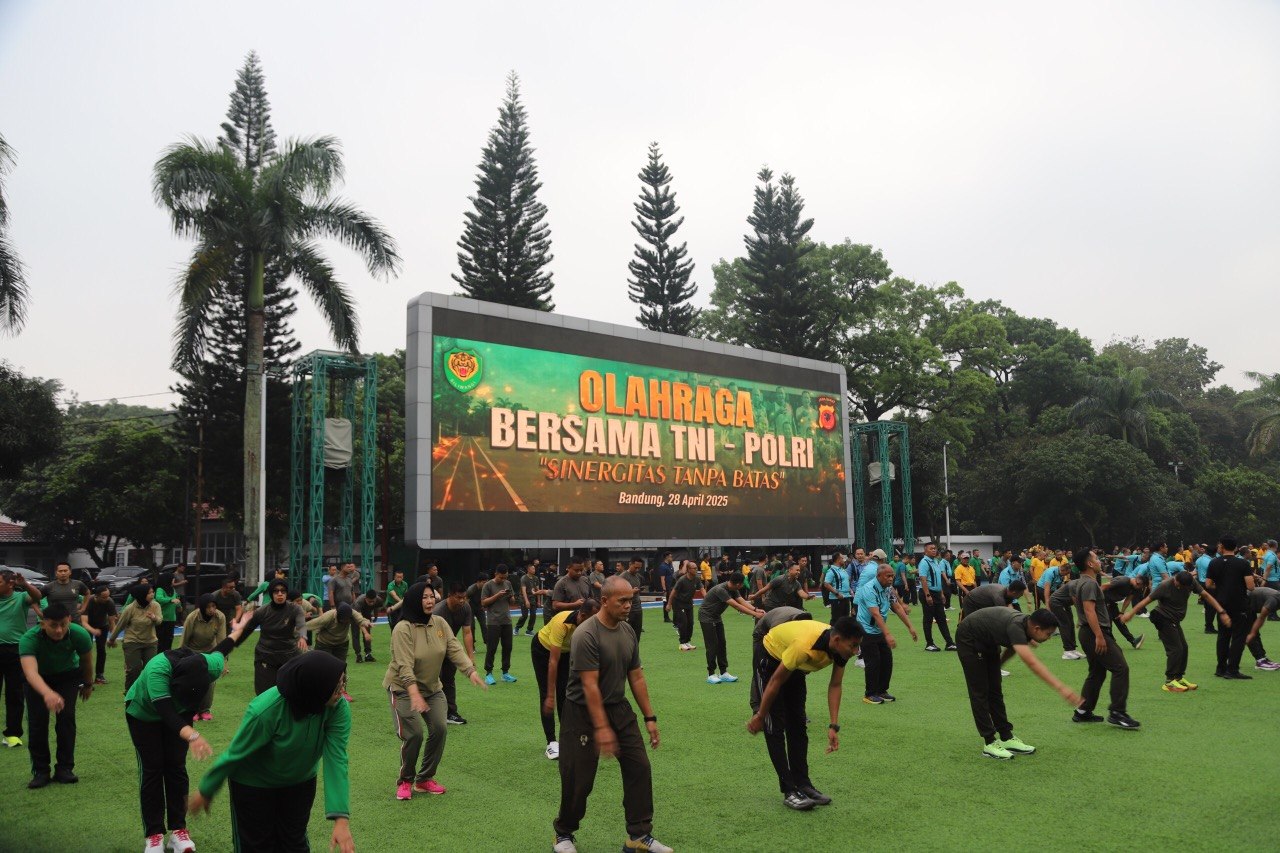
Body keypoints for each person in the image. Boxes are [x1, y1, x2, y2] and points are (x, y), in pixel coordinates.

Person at [188, 652, 355, 853]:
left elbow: (336, 758)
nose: (342, 691)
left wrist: (341, 819)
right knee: (257, 847)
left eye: (343, 682)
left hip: (299, 783)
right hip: (253, 785)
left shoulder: (338, 708)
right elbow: (236, 753)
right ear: (315, 687)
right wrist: (207, 789)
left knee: (295, 844)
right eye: (336, 687)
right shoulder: (265, 710)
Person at [552, 577, 669, 853]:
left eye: (631, 600)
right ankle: (564, 833)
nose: (629, 606)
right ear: (604, 601)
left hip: (618, 707)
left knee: (639, 766)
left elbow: (636, 677)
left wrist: (650, 718)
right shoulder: (586, 634)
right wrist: (602, 727)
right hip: (581, 712)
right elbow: (590, 686)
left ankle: (638, 835)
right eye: (623, 601)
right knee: (578, 778)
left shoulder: (627, 631)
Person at [125, 620, 246, 853]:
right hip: (143, 713)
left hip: (181, 713)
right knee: (153, 770)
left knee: (176, 768)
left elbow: (225, 646)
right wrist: (192, 735)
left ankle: (178, 831)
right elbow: (166, 712)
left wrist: (242, 627)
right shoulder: (158, 670)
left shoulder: (211, 665)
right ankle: (154, 835)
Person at [746, 609, 863, 811]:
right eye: (853, 645)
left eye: (857, 646)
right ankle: (789, 790)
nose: (855, 651)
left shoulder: (840, 651)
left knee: (798, 725)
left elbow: (835, 685)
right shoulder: (804, 646)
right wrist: (760, 715)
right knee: (775, 727)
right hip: (772, 658)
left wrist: (833, 725)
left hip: (797, 667)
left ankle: (803, 784)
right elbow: (775, 681)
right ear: (836, 640)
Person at [384, 582, 485, 801]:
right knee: (414, 735)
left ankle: (424, 779)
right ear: (413, 601)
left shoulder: (439, 623)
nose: (430, 601)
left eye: (432, 597)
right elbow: (404, 666)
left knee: (439, 729)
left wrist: (470, 670)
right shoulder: (403, 629)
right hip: (403, 689)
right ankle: (406, 780)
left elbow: (453, 647)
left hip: (432, 689)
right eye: (424, 597)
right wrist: (413, 693)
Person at [955, 607, 1083, 760]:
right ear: (1036, 628)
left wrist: (996, 668)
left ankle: (1006, 737)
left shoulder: (1025, 626)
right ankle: (989, 742)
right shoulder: (1016, 627)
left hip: (988, 640)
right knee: (980, 692)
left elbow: (1012, 647)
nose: (1049, 638)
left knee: (995, 690)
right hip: (969, 639)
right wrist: (1061, 688)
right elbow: (1032, 663)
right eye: (1048, 634)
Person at [19, 602, 93, 788]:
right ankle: (41, 771)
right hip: (39, 679)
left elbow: (86, 660)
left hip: (67, 676)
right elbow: (30, 673)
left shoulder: (79, 633)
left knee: (66, 719)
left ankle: (65, 769)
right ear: (43, 623)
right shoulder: (29, 638)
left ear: (69, 620)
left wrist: (88, 683)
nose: (59, 630)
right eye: (53, 625)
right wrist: (47, 693)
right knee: (37, 723)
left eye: (63, 624)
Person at [1121, 570, 1227, 692]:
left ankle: (1178, 678)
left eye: (1183, 587)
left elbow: (1206, 595)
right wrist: (1131, 613)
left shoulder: (1191, 582)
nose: (1179, 587)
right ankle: (1169, 681)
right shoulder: (1165, 585)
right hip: (1162, 618)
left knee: (1184, 648)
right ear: (1175, 579)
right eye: (1178, 584)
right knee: (1176, 649)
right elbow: (1146, 601)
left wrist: (1221, 611)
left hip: (1174, 620)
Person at [1070, 549, 1139, 729]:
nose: (1099, 560)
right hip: (1095, 633)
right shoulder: (1090, 584)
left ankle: (1083, 711)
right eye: (1095, 558)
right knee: (1120, 668)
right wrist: (1099, 636)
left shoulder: (1084, 582)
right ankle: (1117, 712)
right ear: (1090, 564)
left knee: (1097, 672)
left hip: (1089, 632)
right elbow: (1089, 610)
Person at [532, 599, 601, 760]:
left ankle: (567, 738)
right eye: (593, 619)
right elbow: (553, 662)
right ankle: (551, 743)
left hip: (565, 652)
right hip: (543, 650)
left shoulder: (590, 626)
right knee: (547, 695)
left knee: (565, 693)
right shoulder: (561, 622)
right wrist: (550, 696)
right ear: (583, 615)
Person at [855, 563, 918, 704]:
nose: (890, 579)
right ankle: (869, 694)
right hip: (866, 628)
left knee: (887, 660)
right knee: (873, 661)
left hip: (878, 629)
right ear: (878, 576)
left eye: (892, 576)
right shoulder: (869, 589)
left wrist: (910, 627)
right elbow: (876, 614)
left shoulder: (888, 589)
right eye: (887, 576)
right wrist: (888, 634)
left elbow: (897, 607)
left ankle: (882, 691)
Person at [233, 579, 306, 695]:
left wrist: (303, 637)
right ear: (271, 594)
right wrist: (232, 643)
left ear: (287, 593)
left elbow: (301, 624)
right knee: (264, 693)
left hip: (289, 654)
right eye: (276, 591)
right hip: (265, 655)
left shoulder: (295, 609)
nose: (280, 594)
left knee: (292, 691)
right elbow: (248, 629)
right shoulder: (262, 611)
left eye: (283, 591)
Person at [0, 569, 41, 748]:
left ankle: (13, 734)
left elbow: (37, 596)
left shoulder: (21, 597)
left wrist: (24, 584)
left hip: (15, 650)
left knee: (14, 693)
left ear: (10, 584)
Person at [1206, 536, 1256, 679]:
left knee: (1223, 636)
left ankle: (1220, 668)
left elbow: (1208, 584)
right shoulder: (1243, 563)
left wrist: (1222, 587)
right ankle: (1232, 669)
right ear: (1236, 548)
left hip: (1221, 603)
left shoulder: (1214, 563)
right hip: (1239, 604)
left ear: (1221, 546)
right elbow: (1251, 586)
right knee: (1238, 637)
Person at [699, 575, 764, 684]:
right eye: (742, 583)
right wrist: (755, 614)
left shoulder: (733, 589)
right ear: (738, 584)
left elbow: (741, 601)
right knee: (712, 645)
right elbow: (737, 606)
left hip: (716, 617)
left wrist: (756, 609)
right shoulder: (721, 590)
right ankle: (711, 674)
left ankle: (723, 673)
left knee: (722, 643)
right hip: (706, 617)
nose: (743, 585)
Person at [432, 583, 477, 725]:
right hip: (434, 647)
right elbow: (431, 638)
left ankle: (450, 713)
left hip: (450, 647)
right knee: (434, 680)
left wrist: (470, 657)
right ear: (449, 596)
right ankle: (433, 712)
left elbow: (467, 632)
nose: (462, 601)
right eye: (459, 598)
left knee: (449, 679)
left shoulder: (465, 608)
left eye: (464, 598)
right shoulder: (438, 611)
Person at [180, 594, 226, 721]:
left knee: (210, 681)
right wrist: (181, 659)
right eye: (208, 607)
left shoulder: (220, 616)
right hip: (192, 652)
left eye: (214, 606)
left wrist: (223, 662)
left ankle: (205, 710)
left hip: (210, 652)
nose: (212, 610)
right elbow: (184, 640)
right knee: (193, 682)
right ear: (202, 607)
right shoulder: (192, 617)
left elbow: (222, 641)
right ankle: (193, 709)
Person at [109, 583, 162, 691]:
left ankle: (148, 692)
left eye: (153, 592)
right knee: (134, 670)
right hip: (132, 642)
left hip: (150, 642)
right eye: (149, 593)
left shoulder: (155, 605)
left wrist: (154, 618)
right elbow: (120, 625)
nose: (152, 594)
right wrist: (112, 639)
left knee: (151, 669)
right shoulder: (129, 609)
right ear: (142, 595)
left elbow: (160, 620)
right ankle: (130, 693)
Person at [481, 564, 518, 684]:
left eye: (505, 577)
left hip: (507, 620)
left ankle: (505, 673)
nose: (503, 580)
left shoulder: (508, 584)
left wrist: (511, 597)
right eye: (501, 577)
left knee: (508, 647)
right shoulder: (488, 585)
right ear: (495, 574)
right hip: (493, 622)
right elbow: (484, 602)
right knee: (492, 648)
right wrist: (498, 595)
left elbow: (512, 601)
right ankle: (488, 673)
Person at [306, 604, 372, 669]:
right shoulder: (328, 617)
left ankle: (342, 679)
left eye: (347, 619)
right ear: (338, 616)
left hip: (342, 643)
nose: (346, 621)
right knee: (322, 667)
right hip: (324, 643)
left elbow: (360, 620)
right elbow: (311, 624)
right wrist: (297, 629)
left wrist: (366, 623)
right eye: (344, 620)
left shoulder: (352, 613)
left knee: (341, 667)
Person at [919, 542, 956, 651]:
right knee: (928, 619)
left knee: (942, 618)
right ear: (925, 551)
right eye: (931, 549)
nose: (934, 550)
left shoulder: (936, 561)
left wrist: (941, 594)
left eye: (935, 548)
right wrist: (927, 595)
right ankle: (929, 644)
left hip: (937, 593)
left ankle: (949, 643)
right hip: (928, 593)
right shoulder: (924, 562)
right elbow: (923, 579)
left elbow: (938, 580)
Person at [83, 583, 118, 685]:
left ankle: (99, 676)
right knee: (86, 651)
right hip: (87, 626)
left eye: (108, 596)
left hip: (102, 625)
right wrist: (93, 630)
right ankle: (84, 677)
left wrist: (113, 637)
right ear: (96, 596)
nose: (107, 599)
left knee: (101, 650)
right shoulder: (89, 601)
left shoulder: (109, 602)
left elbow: (112, 622)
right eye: (104, 597)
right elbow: (84, 622)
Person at [1244, 586, 1280, 670]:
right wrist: (1252, 633)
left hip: (1249, 605)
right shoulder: (1274, 600)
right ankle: (1260, 660)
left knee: (1253, 632)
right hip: (1242, 603)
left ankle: (1262, 659)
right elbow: (1261, 617)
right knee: (1251, 633)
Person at [667, 561, 699, 652]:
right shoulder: (682, 580)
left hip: (688, 603)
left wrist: (707, 599)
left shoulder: (697, 579)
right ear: (688, 569)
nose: (696, 570)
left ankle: (687, 641)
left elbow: (702, 589)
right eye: (694, 568)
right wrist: (669, 604)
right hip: (678, 603)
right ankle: (682, 643)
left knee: (690, 623)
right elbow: (673, 592)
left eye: (696, 568)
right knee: (683, 623)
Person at [960, 580, 1026, 619]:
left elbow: (1009, 608)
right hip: (970, 601)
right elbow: (1003, 616)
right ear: (1014, 592)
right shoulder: (999, 596)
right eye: (1021, 594)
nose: (1021, 596)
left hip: (983, 603)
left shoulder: (1009, 594)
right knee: (970, 622)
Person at [352, 588, 383, 662]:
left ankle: (368, 654)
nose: (371, 603)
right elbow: (359, 620)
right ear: (366, 598)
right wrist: (365, 633)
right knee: (356, 634)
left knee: (368, 633)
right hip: (355, 614)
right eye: (369, 601)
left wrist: (376, 616)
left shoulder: (378, 600)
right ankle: (358, 655)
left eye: (373, 601)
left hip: (366, 614)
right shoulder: (359, 602)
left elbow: (376, 606)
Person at [621, 558, 647, 641]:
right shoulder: (623, 576)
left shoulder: (637, 577)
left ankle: (635, 653)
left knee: (637, 635)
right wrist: (632, 591)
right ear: (630, 564)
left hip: (638, 609)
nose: (637, 570)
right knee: (627, 635)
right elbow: (618, 593)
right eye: (635, 567)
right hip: (628, 609)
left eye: (639, 568)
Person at [153, 573, 180, 652]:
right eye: (172, 579)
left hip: (171, 619)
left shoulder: (173, 590)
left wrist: (179, 606)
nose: (174, 580)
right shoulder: (160, 589)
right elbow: (159, 598)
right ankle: (159, 656)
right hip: (162, 619)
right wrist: (170, 600)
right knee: (161, 640)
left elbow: (176, 599)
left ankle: (167, 655)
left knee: (169, 639)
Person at [823, 552, 853, 622]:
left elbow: (845, 582)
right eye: (843, 558)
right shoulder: (831, 571)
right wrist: (837, 593)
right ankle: (832, 632)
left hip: (846, 597)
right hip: (837, 599)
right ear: (838, 559)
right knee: (836, 620)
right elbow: (826, 584)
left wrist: (850, 590)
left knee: (845, 620)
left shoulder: (843, 570)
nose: (844, 560)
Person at [516, 563, 541, 635]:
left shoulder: (536, 578)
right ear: (528, 570)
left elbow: (537, 590)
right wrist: (526, 601)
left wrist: (538, 601)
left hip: (532, 599)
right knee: (525, 615)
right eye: (533, 569)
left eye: (534, 569)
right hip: (524, 598)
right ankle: (517, 628)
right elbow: (523, 591)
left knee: (533, 615)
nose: (534, 570)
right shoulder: (524, 578)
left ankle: (529, 630)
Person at [385, 568, 409, 633]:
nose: (399, 579)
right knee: (393, 623)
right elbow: (394, 595)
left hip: (401, 606)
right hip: (391, 605)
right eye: (398, 577)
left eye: (401, 577)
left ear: (403, 577)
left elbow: (406, 594)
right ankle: (393, 639)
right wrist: (402, 602)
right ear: (394, 577)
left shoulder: (405, 584)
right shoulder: (391, 585)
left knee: (401, 622)